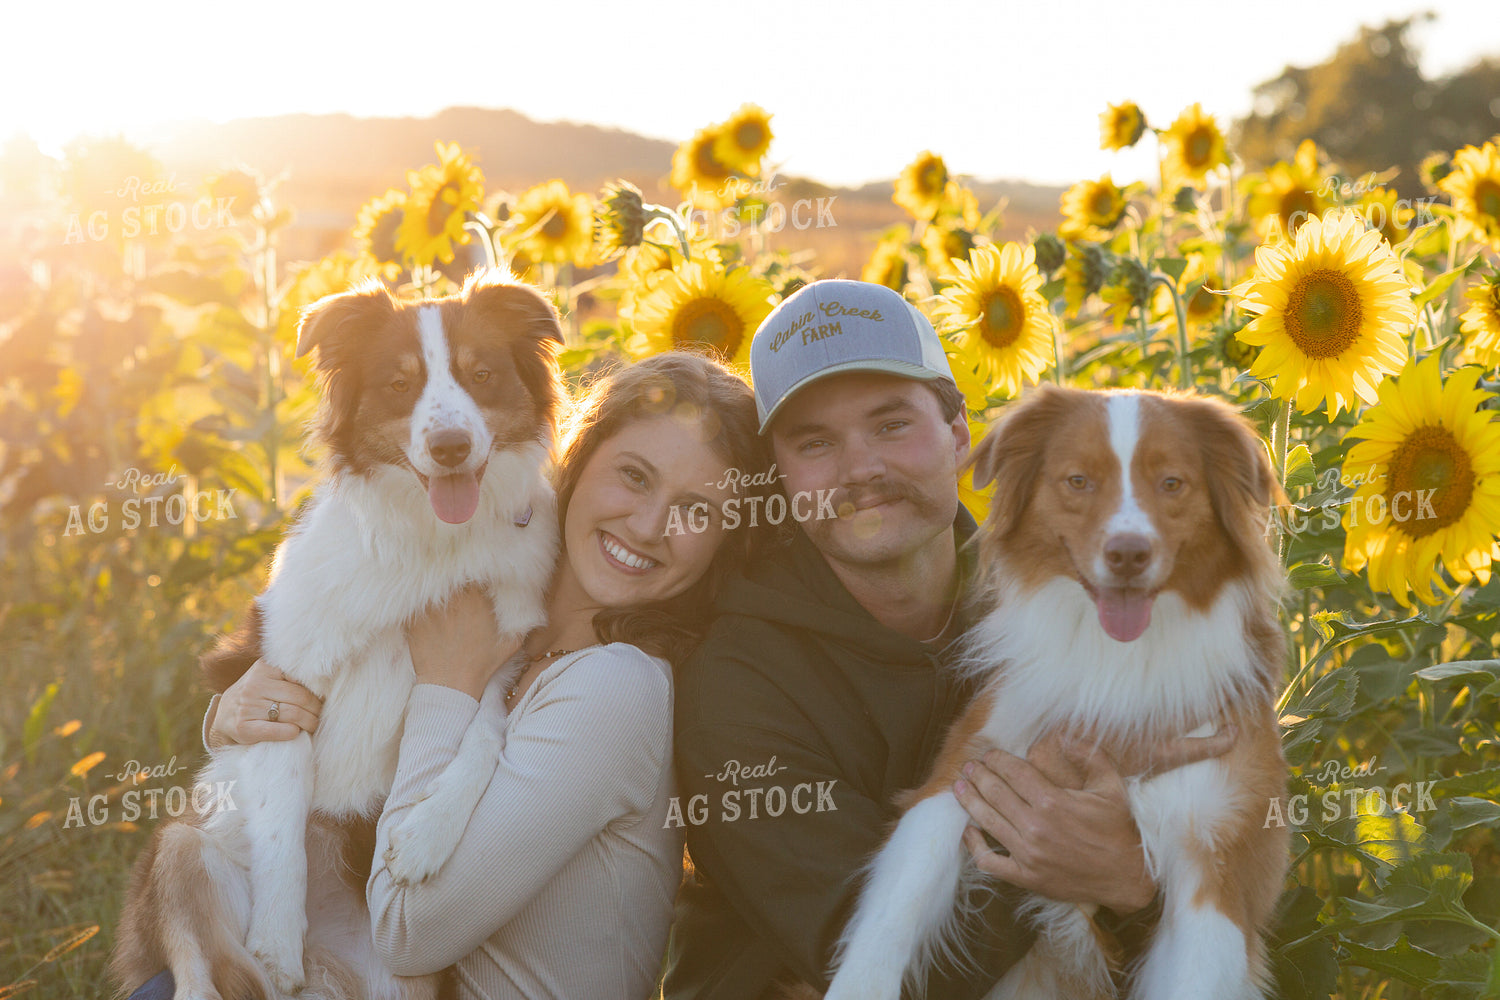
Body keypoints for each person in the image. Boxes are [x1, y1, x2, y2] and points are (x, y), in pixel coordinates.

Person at [127, 351, 773, 1000]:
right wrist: (235, 716)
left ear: (726, 542)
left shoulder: (618, 688)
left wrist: (447, 689)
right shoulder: (492, 595)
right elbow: (340, 697)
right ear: (579, 457)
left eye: (697, 510)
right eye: (634, 476)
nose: (650, 525)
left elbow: (409, 934)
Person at [662, 279, 1234, 1000]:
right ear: (779, 477)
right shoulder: (736, 686)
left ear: (959, 431)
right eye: (816, 443)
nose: (861, 469)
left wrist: (1138, 882)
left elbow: (1212, 885)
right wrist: (1097, 867)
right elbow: (880, 967)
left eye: (891, 424)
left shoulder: (1083, 607)